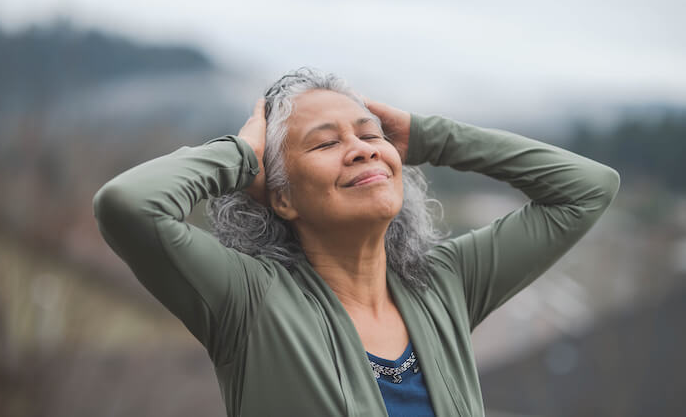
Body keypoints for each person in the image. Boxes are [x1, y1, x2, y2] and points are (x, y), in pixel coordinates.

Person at [92, 67, 620, 416]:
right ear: (283, 198)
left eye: (372, 135)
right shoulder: (249, 301)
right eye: (325, 142)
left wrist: (431, 136)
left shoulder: (444, 283)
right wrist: (241, 154)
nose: (362, 150)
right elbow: (128, 204)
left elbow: (586, 190)